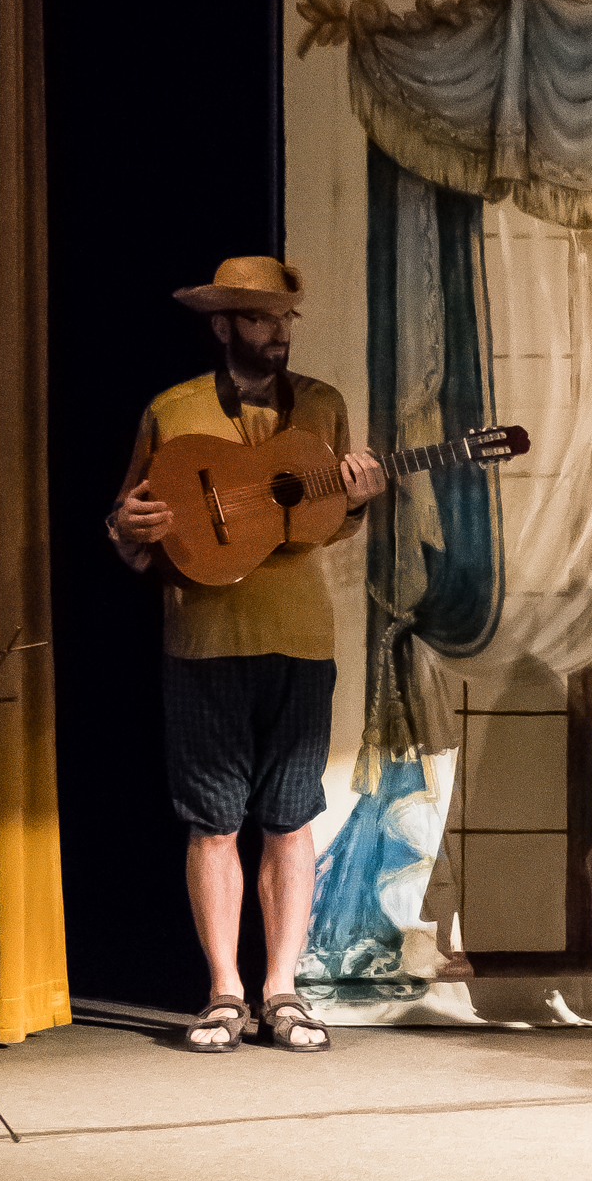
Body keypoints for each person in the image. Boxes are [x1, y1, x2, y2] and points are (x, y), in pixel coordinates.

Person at [108, 256, 385, 1053]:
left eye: (286, 319)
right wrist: (126, 531)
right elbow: (130, 519)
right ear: (224, 323)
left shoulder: (323, 406)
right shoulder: (175, 408)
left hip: (301, 636)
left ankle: (283, 990)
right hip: (205, 637)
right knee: (213, 823)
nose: (279, 333)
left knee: (291, 819)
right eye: (262, 319)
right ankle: (224, 991)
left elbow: (327, 519)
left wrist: (356, 502)